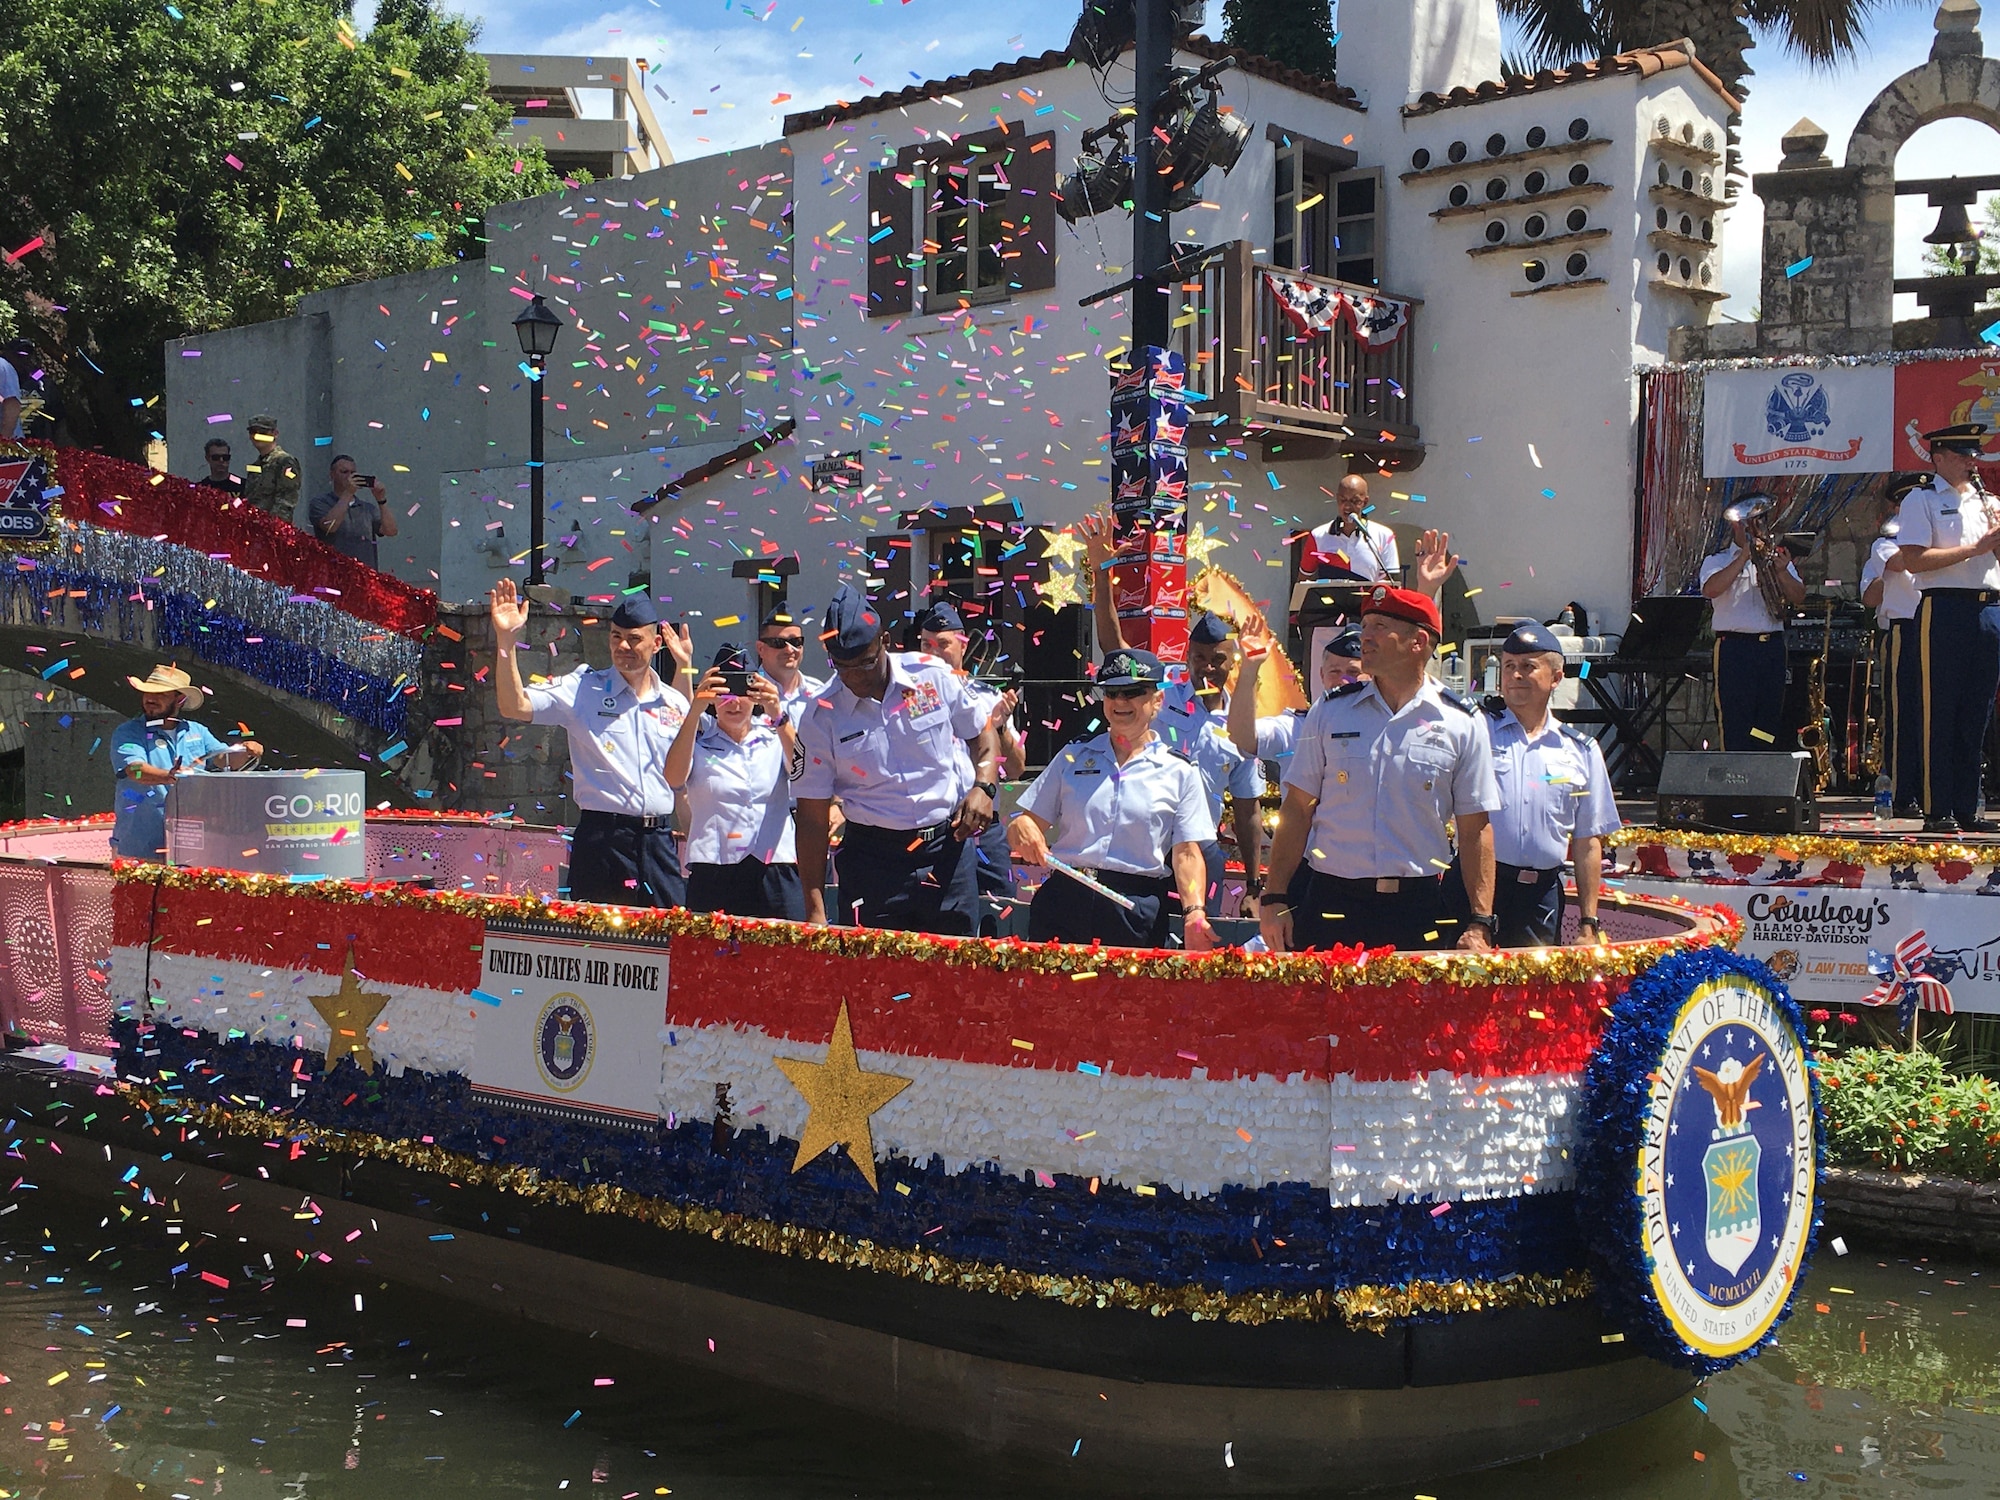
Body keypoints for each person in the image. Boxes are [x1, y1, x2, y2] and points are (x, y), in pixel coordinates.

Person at [1258, 585, 1500, 955]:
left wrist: (1481, 920)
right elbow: (1297, 809)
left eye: (1377, 627)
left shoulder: (1461, 722)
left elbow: (1475, 828)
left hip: (1417, 907)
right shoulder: (1331, 710)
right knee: (1326, 1014)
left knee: (1411, 1014)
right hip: (1331, 900)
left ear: (1418, 641)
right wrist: (1275, 897)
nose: (1364, 637)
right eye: (1365, 624)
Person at [793, 583, 999, 934]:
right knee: (879, 983)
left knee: (954, 978)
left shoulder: (931, 676)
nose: (855, 677)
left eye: (865, 663)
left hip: (945, 849)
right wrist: (814, 908)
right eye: (842, 667)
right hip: (874, 862)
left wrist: (984, 786)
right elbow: (811, 818)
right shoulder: (820, 716)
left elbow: (982, 734)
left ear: (885, 641)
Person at [490, 580, 695, 906]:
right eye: (616, 637)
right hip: (603, 843)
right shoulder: (583, 688)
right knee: (599, 945)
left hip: (658, 843)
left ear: (656, 643)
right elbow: (514, 705)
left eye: (634, 639)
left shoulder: (673, 701)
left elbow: (683, 776)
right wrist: (505, 641)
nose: (623, 647)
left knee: (671, 943)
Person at [1007, 648, 1217, 950]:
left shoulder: (1179, 771)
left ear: (1157, 700)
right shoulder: (1072, 755)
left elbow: (1186, 853)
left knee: (1126, 998)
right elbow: (1023, 823)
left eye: (1133, 692)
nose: (1120, 702)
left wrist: (1194, 912)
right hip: (1065, 898)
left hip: (1132, 908)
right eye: (1112, 692)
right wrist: (1023, 826)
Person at [1456, 623, 1620, 946]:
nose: (1516, 675)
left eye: (1528, 667)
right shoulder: (1476, 731)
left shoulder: (1579, 750)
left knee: (1534, 995)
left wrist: (1588, 923)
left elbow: (1588, 840)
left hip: (1540, 897)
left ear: (1556, 677)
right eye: (1509, 667)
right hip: (1477, 887)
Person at [1897, 423, 2000, 834]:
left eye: (1972, 454)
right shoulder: (1921, 500)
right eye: (1960, 454)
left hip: (1989, 608)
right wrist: (1975, 549)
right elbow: (1915, 560)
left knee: (1977, 714)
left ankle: (1967, 805)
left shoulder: (1989, 502)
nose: (1970, 461)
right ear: (1937, 458)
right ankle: (1937, 807)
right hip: (1945, 609)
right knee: (1940, 711)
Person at [664, 642, 803, 920]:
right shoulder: (699, 737)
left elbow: (804, 770)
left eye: (741, 692)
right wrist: (695, 709)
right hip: (716, 869)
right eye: (724, 692)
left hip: (773, 867)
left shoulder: (775, 734)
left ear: (755, 694)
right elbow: (674, 777)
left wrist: (777, 712)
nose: (733, 702)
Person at [917, 599, 1027, 932]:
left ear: (962, 646)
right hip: (940, 826)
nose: (933, 652)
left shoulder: (985, 696)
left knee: (1000, 911)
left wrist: (997, 728)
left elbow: (1018, 767)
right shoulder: (912, 697)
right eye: (925, 644)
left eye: (943, 644)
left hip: (984, 827)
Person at [1155, 611, 1262, 909]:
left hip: (1203, 851)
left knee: (1200, 946)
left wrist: (1253, 885)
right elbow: (1117, 647)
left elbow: (1247, 806)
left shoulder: (1241, 723)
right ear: (1187, 657)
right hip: (1149, 847)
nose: (1208, 667)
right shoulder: (1162, 692)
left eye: (1217, 659)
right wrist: (1101, 577)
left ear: (1232, 661)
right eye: (1199, 658)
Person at [109, 665, 262, 861]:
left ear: (180, 699)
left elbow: (226, 759)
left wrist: (249, 751)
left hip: (193, 846)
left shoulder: (197, 731)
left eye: (161, 694)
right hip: (140, 847)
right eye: (147, 693)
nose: (150, 699)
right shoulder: (128, 732)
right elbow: (134, 771)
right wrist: (169, 776)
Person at [1698, 497, 1806, 752]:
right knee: (1736, 717)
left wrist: (1781, 571)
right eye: (1751, 522)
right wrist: (1744, 556)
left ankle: (1762, 773)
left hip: (1771, 647)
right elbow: (1710, 589)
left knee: (1767, 720)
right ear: (1737, 526)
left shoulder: (1775, 559)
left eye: (1761, 520)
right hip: (1736, 648)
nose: (1759, 526)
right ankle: (1735, 780)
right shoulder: (1718, 560)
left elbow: (1799, 596)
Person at [1859, 472, 1927, 818]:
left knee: (1936, 714)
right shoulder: (1887, 540)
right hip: (1904, 629)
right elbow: (1899, 564)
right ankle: (1903, 792)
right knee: (1904, 714)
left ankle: (1935, 792)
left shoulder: (1937, 535)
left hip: (1937, 626)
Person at [1227, 623, 1365, 767]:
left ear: (1371, 677)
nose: (1343, 681)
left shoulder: (1386, 726)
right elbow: (1242, 737)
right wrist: (1250, 668)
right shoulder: (1298, 728)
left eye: (1353, 672)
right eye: (1335, 672)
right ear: (1322, 675)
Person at [1301, 474, 1399, 582]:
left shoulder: (1384, 535)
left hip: (1368, 598)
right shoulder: (1318, 535)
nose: (1347, 506)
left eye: (1354, 501)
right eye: (1343, 500)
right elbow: (1303, 581)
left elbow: (1390, 585)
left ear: (1365, 502)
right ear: (1337, 499)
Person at [309, 455, 397, 567]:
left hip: (365, 575)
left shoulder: (367, 508)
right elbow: (330, 526)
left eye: (353, 473)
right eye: (344, 472)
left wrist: (381, 500)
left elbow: (391, 531)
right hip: (333, 574)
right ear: (332, 475)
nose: (350, 477)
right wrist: (348, 493)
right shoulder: (320, 502)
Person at [754, 605, 829, 727]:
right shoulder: (748, 694)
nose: (789, 650)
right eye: (779, 643)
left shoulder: (818, 692)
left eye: (796, 642)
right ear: (760, 648)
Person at [243, 415, 301, 523]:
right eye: (253, 432)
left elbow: (286, 501)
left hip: (271, 531)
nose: (257, 436)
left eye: (263, 432)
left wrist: (273, 529)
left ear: (275, 434)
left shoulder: (284, 462)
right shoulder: (256, 465)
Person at [0, 340, 29, 441]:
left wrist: (4, 442)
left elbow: (12, 404)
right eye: (19, 356)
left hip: (9, 446)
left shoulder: (2, 366)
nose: (24, 361)